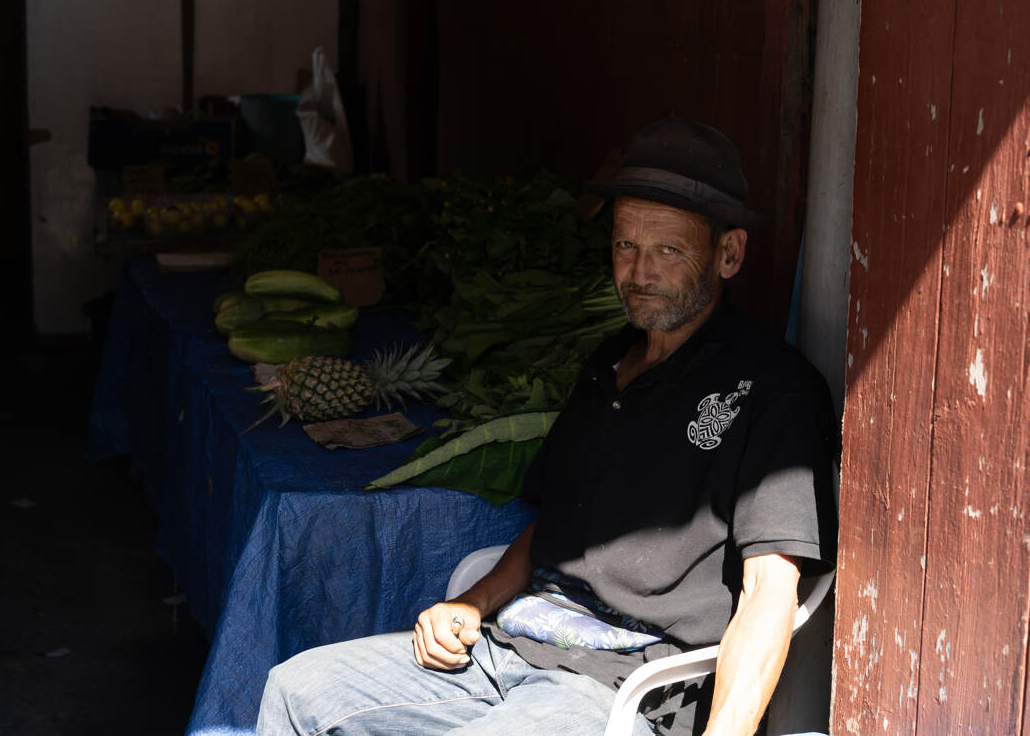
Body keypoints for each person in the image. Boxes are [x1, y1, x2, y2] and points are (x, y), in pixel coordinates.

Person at [255, 118, 838, 736]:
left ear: (729, 254)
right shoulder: (608, 365)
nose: (639, 271)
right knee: (296, 690)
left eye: (668, 250)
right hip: (505, 650)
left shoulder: (774, 389)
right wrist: (470, 604)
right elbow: (553, 527)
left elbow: (770, 592)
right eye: (624, 246)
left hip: (614, 692)